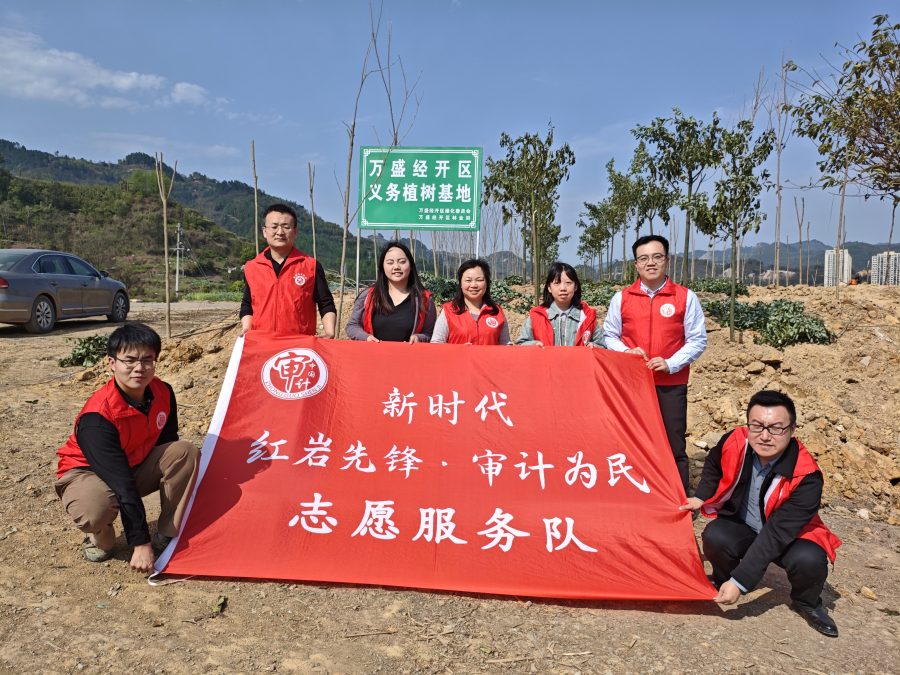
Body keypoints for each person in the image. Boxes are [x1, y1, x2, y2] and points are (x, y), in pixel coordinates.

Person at [681, 390, 842, 637]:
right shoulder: (735, 441)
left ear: (792, 429)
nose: (764, 436)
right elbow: (713, 461)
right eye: (756, 426)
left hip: (788, 536)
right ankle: (723, 579)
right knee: (715, 535)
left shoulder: (807, 476)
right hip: (745, 526)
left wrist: (741, 582)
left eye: (776, 428)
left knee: (809, 559)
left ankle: (807, 602)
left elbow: (776, 534)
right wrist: (702, 496)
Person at [55, 323, 200, 574]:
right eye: (130, 361)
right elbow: (121, 482)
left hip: (133, 465)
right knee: (95, 511)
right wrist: (140, 542)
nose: (139, 368)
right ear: (112, 363)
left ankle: (166, 535)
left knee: (185, 451)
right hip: (87, 473)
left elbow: (168, 444)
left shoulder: (163, 392)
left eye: (147, 360)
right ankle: (100, 536)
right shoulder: (97, 418)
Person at [602, 235, 706, 494]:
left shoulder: (685, 297)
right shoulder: (622, 298)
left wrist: (671, 363)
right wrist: (627, 352)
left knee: (673, 442)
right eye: (644, 258)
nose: (651, 263)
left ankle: (677, 497)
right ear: (635, 264)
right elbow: (609, 335)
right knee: (630, 439)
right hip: (631, 384)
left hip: (671, 383)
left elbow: (697, 340)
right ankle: (634, 494)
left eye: (657, 257)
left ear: (667, 261)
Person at [240, 203, 336, 337]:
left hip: (298, 343)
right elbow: (247, 303)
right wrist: (246, 328)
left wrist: (330, 331)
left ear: (295, 232)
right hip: (262, 341)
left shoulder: (311, 266)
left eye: (286, 227)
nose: (280, 232)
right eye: (274, 227)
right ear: (264, 231)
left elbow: (325, 303)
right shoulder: (252, 267)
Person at [346, 241, 436, 343]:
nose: (396, 267)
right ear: (383, 267)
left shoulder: (425, 299)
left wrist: (419, 338)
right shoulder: (368, 295)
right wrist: (366, 337)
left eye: (402, 262)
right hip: (374, 353)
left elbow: (430, 334)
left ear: (411, 265)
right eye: (390, 262)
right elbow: (352, 326)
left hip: (408, 353)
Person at [516, 262, 605, 348]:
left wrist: (593, 347)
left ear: (575, 286)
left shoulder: (587, 317)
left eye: (568, 283)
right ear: (549, 287)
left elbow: (602, 346)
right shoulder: (536, 316)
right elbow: (521, 344)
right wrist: (534, 345)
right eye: (557, 283)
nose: (563, 288)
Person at [432, 259, 512, 345]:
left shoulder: (497, 312)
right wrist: (457, 350)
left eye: (479, 280)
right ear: (460, 283)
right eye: (468, 280)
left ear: (487, 283)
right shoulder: (448, 311)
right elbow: (436, 343)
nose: (473, 285)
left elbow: (506, 345)